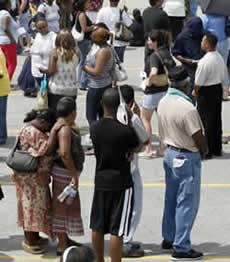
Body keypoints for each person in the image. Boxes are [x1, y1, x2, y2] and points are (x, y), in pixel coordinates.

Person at [157, 66, 206, 261]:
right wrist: (204, 150)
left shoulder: (163, 101)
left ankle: (169, 237)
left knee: (171, 198)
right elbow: (198, 136)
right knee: (186, 202)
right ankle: (182, 246)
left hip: (170, 153)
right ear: (186, 84)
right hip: (187, 157)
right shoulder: (187, 108)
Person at [89, 88, 140, 262]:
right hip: (121, 183)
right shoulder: (124, 131)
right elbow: (137, 145)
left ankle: (99, 259)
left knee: (97, 226)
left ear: (102, 105)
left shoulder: (94, 128)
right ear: (118, 106)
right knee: (117, 230)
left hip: (101, 180)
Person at [11, 109, 57, 254]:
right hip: (31, 180)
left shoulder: (31, 128)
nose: (48, 130)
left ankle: (35, 237)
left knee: (36, 209)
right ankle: (29, 241)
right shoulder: (33, 132)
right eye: (48, 127)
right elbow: (46, 150)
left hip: (33, 179)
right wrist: (55, 133)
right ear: (42, 122)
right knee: (30, 209)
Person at [51, 97, 85, 256]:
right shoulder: (64, 129)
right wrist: (73, 175)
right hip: (65, 174)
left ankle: (65, 240)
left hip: (65, 173)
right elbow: (65, 154)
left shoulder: (64, 125)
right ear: (72, 112)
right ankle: (62, 245)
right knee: (63, 208)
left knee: (66, 206)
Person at [119, 85, 149, 258]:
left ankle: (121, 238)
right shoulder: (132, 118)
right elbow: (145, 139)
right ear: (130, 102)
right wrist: (137, 116)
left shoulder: (108, 115)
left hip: (110, 169)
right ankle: (126, 241)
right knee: (134, 207)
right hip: (130, 170)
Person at [141, 29, 175, 158]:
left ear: (156, 42)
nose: (148, 42)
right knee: (162, 119)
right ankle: (162, 148)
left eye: (150, 40)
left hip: (153, 91)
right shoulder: (166, 52)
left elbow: (154, 72)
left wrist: (148, 81)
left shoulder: (154, 56)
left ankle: (148, 148)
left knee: (145, 119)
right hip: (164, 89)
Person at [194, 33, 225, 159]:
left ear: (207, 44)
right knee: (216, 120)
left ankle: (207, 150)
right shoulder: (219, 57)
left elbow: (198, 82)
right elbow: (223, 76)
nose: (201, 43)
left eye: (202, 41)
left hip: (206, 92)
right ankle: (216, 148)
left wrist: (195, 92)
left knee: (205, 122)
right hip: (217, 89)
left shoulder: (204, 62)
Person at [40, 30, 79, 110]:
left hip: (56, 89)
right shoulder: (76, 52)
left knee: (56, 114)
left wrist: (43, 70)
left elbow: (52, 71)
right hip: (72, 89)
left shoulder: (54, 52)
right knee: (68, 114)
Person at [83, 27, 113, 126]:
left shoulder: (103, 52)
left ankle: (95, 134)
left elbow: (97, 72)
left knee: (91, 115)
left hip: (98, 86)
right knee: (102, 113)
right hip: (105, 84)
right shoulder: (106, 48)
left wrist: (85, 67)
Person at [172, 17, 204, 96]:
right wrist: (186, 61)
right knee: (191, 90)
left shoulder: (204, 35)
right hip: (189, 68)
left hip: (203, 67)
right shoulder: (182, 37)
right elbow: (176, 54)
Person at [201, 14, 229, 99]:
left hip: (212, 44)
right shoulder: (223, 16)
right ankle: (225, 93)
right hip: (224, 42)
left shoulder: (205, 17)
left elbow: (203, 31)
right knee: (223, 66)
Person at [30, 16, 56, 96]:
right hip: (36, 70)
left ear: (47, 25)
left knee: (48, 94)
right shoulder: (37, 35)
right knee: (41, 95)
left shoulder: (53, 36)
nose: (42, 30)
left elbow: (55, 52)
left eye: (44, 27)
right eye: (39, 28)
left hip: (47, 70)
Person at [142, 0, 170, 74]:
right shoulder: (162, 14)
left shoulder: (145, 12)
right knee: (161, 65)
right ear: (157, 1)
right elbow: (167, 31)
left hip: (148, 41)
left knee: (148, 63)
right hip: (159, 43)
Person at [74, 0, 94, 90]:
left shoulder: (82, 14)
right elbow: (84, 29)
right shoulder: (82, 15)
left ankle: (81, 82)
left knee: (83, 60)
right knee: (84, 61)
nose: (90, 4)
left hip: (85, 40)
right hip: (84, 41)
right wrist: (94, 27)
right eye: (88, 3)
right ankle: (82, 83)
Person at [0, 0, 19, 81]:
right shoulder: (5, 14)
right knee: (12, 64)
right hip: (8, 42)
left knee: (5, 64)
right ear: (7, 4)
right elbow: (5, 28)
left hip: (2, 41)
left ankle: (4, 81)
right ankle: (7, 82)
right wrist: (12, 39)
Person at [0, 47, 10, 145]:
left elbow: (0, 74)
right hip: (3, 87)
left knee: (1, 115)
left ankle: (2, 137)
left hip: (1, 89)